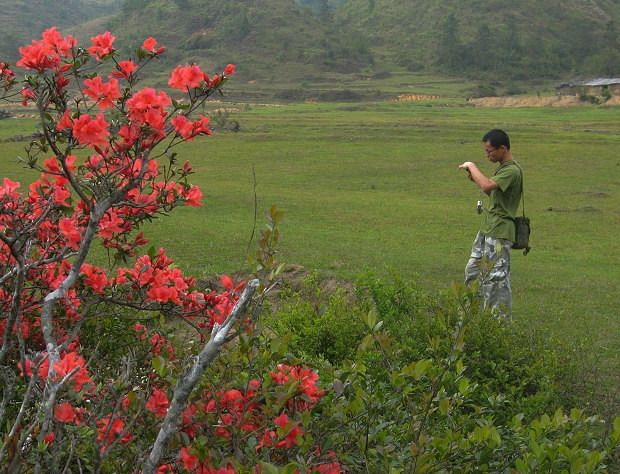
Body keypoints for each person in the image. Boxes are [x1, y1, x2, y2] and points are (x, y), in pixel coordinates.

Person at [458, 129, 522, 318]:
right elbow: (493, 194)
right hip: (488, 229)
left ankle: (499, 326)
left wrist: (472, 166)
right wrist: (476, 179)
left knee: (496, 280)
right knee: (473, 272)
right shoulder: (503, 168)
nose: (487, 155)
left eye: (489, 151)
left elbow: (487, 185)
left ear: (502, 148)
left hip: (500, 232)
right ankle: (471, 319)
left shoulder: (512, 170)